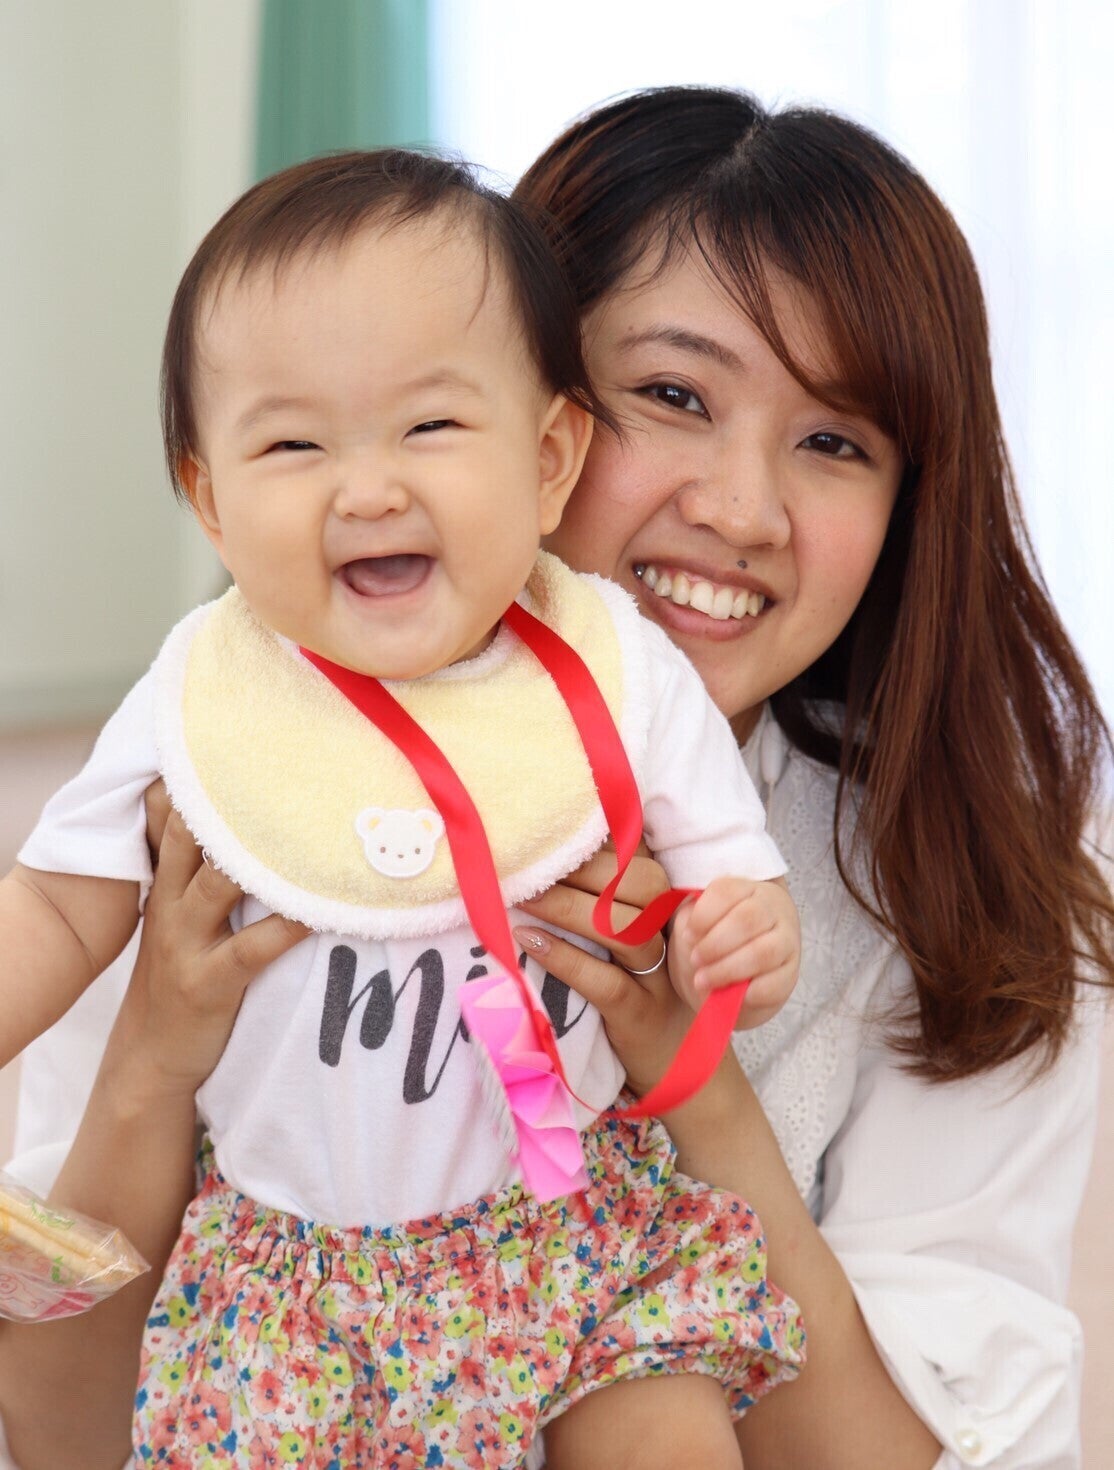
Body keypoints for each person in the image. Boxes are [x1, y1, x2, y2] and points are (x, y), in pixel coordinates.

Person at [2, 84, 1111, 1470]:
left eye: (835, 441)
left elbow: (930, 1458)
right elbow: (57, 1437)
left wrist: (690, 1075)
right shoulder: (232, 780)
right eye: (673, 396)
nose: (740, 509)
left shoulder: (971, 891)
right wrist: (155, 1052)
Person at [0, 148, 804, 1469]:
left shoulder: (612, 663)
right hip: (290, 1273)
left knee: (667, 1427)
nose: (367, 487)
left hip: (566, 1221)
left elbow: (732, 878)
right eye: (293, 443)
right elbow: (53, 902)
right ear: (209, 498)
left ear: (549, 459)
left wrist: (746, 937)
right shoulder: (204, 694)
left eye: (430, 427)